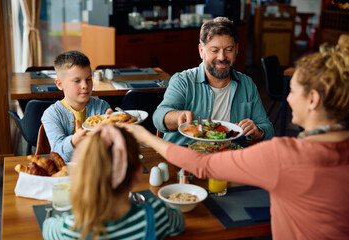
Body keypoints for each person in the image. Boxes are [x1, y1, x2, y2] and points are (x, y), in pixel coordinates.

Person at [120, 43, 349, 239]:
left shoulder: (285, 155)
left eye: (292, 90)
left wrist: (144, 136)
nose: (287, 98)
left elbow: (201, 164)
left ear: (313, 99)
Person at [42, 125, 185, 240]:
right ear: (138, 172)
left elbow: (47, 228)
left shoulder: (70, 227)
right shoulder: (156, 214)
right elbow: (179, 223)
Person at [153, 17, 274, 145]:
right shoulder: (183, 81)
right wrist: (177, 117)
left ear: (237, 49)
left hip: (229, 157)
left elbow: (267, 128)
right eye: (214, 50)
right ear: (201, 51)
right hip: (186, 155)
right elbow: (159, 116)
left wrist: (258, 131)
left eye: (228, 50)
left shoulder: (247, 84)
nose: (222, 57)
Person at [42, 51, 112, 162]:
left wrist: (114, 130)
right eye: (77, 81)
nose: (85, 85)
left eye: (88, 79)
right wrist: (74, 141)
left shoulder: (102, 107)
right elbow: (58, 155)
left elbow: (111, 149)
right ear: (60, 84)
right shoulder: (51, 114)